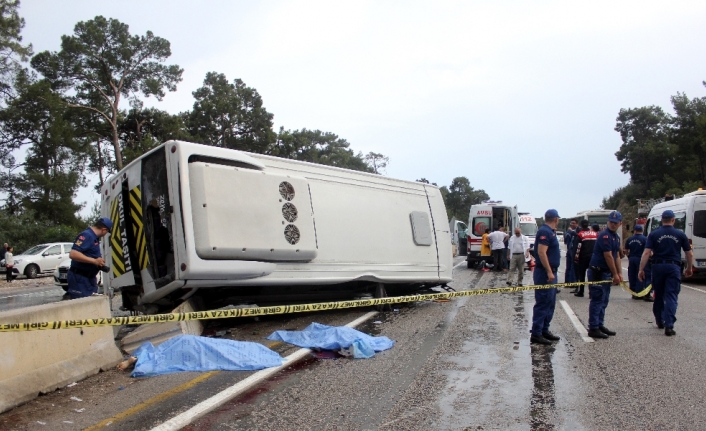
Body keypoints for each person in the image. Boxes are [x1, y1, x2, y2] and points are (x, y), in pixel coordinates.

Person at [639, 210, 693, 336]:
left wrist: (641, 269)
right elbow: (689, 253)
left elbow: (646, 253)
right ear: (673, 220)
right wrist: (689, 268)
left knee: (658, 294)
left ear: (662, 220)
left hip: (658, 266)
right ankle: (669, 325)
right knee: (671, 296)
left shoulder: (654, 234)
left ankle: (659, 320)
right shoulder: (680, 234)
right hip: (673, 266)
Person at [586, 211, 623, 339]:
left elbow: (617, 256)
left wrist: (619, 273)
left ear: (620, 223)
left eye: (615, 223)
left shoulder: (616, 237)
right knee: (597, 299)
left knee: (604, 299)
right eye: (611, 222)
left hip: (606, 273)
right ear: (608, 222)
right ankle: (593, 327)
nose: (613, 225)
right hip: (598, 271)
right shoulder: (604, 236)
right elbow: (608, 256)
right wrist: (615, 273)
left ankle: (599, 324)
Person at [530, 209, 562, 345]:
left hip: (550, 272)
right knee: (543, 302)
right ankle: (537, 333)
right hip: (544, 272)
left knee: (550, 302)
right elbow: (541, 253)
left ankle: (544, 329)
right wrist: (549, 271)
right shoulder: (545, 232)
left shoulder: (550, 232)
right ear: (556, 219)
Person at [67, 217, 113, 300]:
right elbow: (73, 254)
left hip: (89, 278)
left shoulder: (94, 238)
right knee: (82, 305)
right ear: (104, 230)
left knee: (91, 304)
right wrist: (94, 261)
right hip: (80, 278)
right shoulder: (87, 235)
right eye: (107, 232)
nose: (105, 234)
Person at [624, 225, 653, 302]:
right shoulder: (645, 239)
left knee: (632, 275)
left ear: (635, 230)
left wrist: (629, 256)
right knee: (642, 275)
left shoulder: (630, 239)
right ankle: (641, 292)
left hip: (632, 258)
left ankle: (633, 292)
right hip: (641, 259)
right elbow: (649, 251)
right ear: (642, 230)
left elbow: (625, 250)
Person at [571, 219, 597, 297]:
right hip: (593, 257)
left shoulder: (580, 234)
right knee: (592, 275)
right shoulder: (595, 234)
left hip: (583, 258)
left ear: (581, 225)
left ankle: (581, 291)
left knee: (581, 275)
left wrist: (575, 259)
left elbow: (578, 248)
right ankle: (592, 292)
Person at [564, 219, 578, 284]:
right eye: (571, 223)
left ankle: (572, 281)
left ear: (577, 224)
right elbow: (565, 240)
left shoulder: (578, 230)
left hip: (574, 250)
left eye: (574, 223)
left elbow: (577, 236)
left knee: (573, 266)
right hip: (569, 249)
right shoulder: (568, 231)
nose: (572, 224)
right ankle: (567, 281)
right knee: (568, 266)